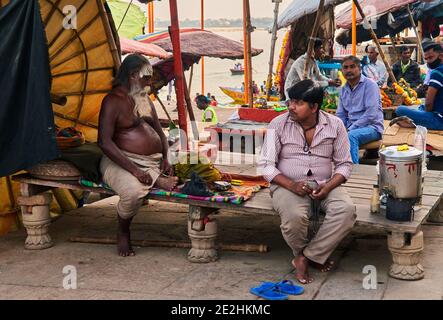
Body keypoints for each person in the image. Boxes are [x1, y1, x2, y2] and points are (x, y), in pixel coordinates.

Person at [258, 79, 356, 284]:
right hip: (287, 184)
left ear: (314, 107)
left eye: (298, 103)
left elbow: (345, 165)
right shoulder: (278, 124)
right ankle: (306, 255)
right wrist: (291, 185)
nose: (291, 107)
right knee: (294, 217)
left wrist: (328, 186)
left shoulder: (335, 125)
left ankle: (307, 257)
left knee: (346, 210)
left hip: (325, 182)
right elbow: (266, 165)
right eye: (290, 101)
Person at [98, 54, 179, 257]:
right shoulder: (112, 101)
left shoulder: (143, 98)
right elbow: (104, 143)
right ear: (133, 75)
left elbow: (160, 132)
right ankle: (123, 230)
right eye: (146, 77)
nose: (149, 82)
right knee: (132, 193)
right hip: (120, 160)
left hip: (151, 160)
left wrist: (166, 158)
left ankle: (155, 176)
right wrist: (135, 170)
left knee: (186, 156)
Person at [336, 55, 384, 164]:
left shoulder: (370, 85)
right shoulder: (343, 89)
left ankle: (353, 171)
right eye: (345, 67)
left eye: (352, 67)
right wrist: (341, 128)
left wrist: (349, 129)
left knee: (350, 136)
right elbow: (340, 114)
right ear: (342, 71)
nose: (348, 70)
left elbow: (371, 114)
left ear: (359, 68)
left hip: (372, 127)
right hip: (350, 127)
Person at [396, 42, 443, 130]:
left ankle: (418, 123)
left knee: (399, 110)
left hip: (439, 119)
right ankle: (418, 121)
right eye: (426, 59)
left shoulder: (437, 72)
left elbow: (429, 104)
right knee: (420, 107)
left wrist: (425, 116)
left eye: (431, 57)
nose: (428, 61)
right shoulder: (396, 66)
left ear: (441, 56)